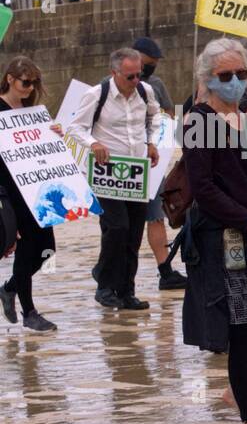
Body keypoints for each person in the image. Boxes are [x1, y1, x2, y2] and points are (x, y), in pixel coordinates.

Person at [181, 38, 247, 424]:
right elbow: (203, 189)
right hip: (224, 239)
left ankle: (237, 392)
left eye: (242, 75)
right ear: (208, 78)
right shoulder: (196, 122)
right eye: (226, 77)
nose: (236, 83)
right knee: (244, 326)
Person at [66, 47, 160, 310]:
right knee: (116, 228)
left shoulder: (145, 91)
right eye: (129, 77)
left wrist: (151, 142)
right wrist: (93, 143)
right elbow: (75, 128)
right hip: (107, 172)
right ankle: (105, 286)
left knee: (133, 234)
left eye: (138, 75)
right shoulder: (97, 94)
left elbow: (155, 117)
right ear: (114, 73)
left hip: (136, 172)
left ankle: (126, 291)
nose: (135, 82)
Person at [0, 58, 58, 331]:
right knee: (25, 251)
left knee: (47, 252)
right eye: (25, 82)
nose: (29, 88)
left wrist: (54, 135)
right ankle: (29, 312)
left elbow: (43, 150)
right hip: (9, 192)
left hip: (36, 188)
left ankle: (9, 288)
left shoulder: (31, 111)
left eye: (33, 83)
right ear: (10, 78)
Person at [132, 36, 187, 291]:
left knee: (156, 218)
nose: (149, 70)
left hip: (151, 163)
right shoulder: (110, 87)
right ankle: (111, 273)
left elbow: (169, 115)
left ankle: (165, 270)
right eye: (147, 64)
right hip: (123, 163)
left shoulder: (156, 84)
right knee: (121, 226)